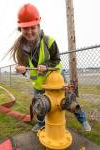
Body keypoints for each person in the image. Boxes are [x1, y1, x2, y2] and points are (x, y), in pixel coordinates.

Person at [9, 3, 91, 132]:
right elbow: (26, 68)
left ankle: (83, 120)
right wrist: (22, 70)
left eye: (32, 27)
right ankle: (41, 123)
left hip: (56, 79)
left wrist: (46, 66)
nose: (29, 31)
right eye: (26, 28)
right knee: (40, 104)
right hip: (39, 84)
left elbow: (56, 59)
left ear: (38, 26)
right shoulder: (21, 48)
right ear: (21, 29)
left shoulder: (49, 42)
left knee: (69, 100)